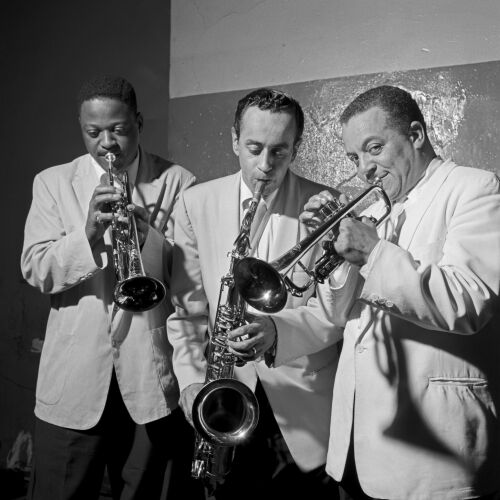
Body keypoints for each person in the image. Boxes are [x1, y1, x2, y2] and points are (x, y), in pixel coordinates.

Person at [276, 85, 500, 499]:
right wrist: (338, 253)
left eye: (374, 148)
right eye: (354, 157)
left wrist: (374, 251)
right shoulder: (376, 209)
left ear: (415, 134)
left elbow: (469, 301)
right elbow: (340, 314)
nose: (365, 168)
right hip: (358, 448)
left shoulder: (476, 188)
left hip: (435, 452)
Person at [21, 75, 202, 500]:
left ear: (138, 122)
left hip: (151, 380)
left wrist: (148, 240)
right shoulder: (52, 183)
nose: (107, 144)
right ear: (81, 128)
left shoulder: (179, 182)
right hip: (74, 379)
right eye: (93, 132)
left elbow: (189, 278)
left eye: (118, 129)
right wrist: (85, 236)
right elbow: (35, 269)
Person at [167, 88, 341, 500]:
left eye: (280, 151)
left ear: (297, 147)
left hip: (304, 405)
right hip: (224, 399)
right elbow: (187, 313)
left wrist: (278, 331)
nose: (265, 166)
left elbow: (336, 312)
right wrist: (192, 385)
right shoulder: (195, 203)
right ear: (233, 140)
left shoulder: (326, 205)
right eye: (254, 148)